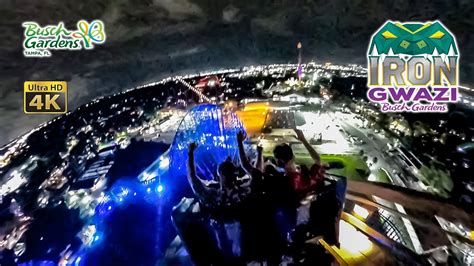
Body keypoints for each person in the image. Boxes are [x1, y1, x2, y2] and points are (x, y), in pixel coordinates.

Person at [187, 142, 248, 209]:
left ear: (219, 175)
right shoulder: (244, 192)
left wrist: (190, 152)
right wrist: (240, 143)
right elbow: (253, 171)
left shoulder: (214, 196)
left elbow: (192, 178)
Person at [273, 128, 325, 198]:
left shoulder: (284, 179)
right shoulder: (300, 178)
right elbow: (317, 160)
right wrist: (303, 140)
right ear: (293, 157)